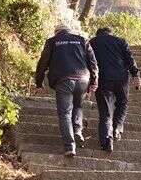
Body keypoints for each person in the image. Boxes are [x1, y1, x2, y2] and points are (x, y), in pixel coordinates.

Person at [35, 18, 98, 157]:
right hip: (82, 79)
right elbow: (93, 63)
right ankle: (77, 131)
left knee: (65, 113)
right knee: (78, 106)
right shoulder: (82, 40)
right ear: (69, 31)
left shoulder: (52, 41)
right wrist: (94, 82)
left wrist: (39, 83)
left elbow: (43, 63)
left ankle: (70, 146)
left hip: (63, 80)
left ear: (57, 32)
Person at [89, 27, 141, 152]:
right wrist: (136, 75)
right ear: (110, 33)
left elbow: (89, 62)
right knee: (122, 103)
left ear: (98, 34)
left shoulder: (92, 42)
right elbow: (130, 59)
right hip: (121, 78)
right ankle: (117, 128)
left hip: (102, 79)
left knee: (105, 111)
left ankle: (106, 141)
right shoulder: (120, 41)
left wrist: (90, 82)